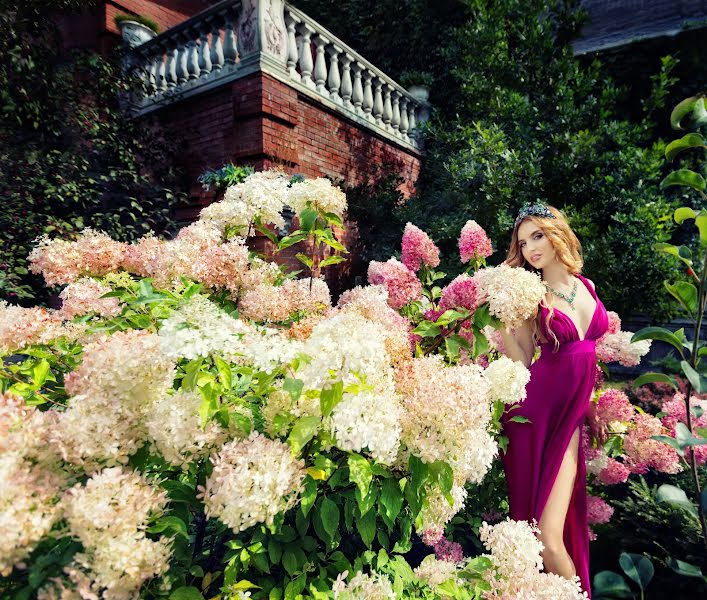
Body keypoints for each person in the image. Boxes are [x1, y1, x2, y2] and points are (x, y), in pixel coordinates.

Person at [498, 202, 609, 598]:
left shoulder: (588, 286)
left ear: (557, 232)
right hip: (535, 416)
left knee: (555, 531)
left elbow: (587, 356)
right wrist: (502, 318)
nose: (530, 249)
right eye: (523, 242)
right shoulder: (531, 294)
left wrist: (591, 405)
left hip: (570, 419)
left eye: (537, 236)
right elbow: (523, 362)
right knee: (543, 536)